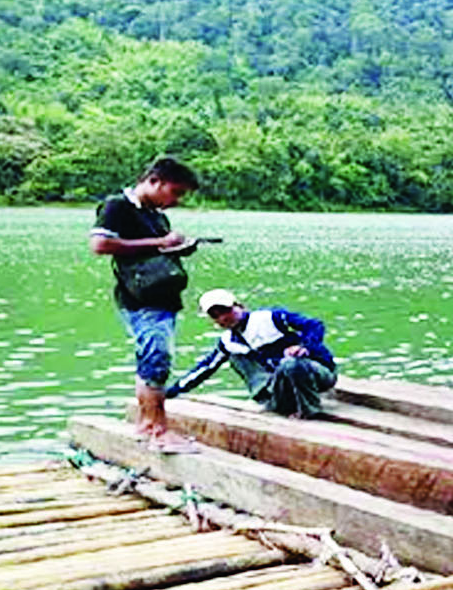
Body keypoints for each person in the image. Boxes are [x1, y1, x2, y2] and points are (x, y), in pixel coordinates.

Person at [89, 156, 202, 453]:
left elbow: (152, 251)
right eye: (175, 192)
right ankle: (159, 432)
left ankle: (147, 425)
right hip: (140, 299)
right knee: (156, 359)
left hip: (163, 297)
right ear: (154, 181)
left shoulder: (156, 215)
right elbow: (99, 245)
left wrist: (178, 247)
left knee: (151, 360)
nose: (176, 201)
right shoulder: (117, 206)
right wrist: (160, 243)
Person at [165, 289, 337, 418]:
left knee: (291, 364)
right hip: (281, 383)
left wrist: (304, 347)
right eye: (216, 315)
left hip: (316, 371)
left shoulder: (271, 318)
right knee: (236, 356)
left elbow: (314, 325)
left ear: (239, 306)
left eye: (226, 311)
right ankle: (270, 400)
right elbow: (205, 368)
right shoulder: (228, 342)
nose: (223, 318)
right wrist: (171, 391)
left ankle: (310, 412)